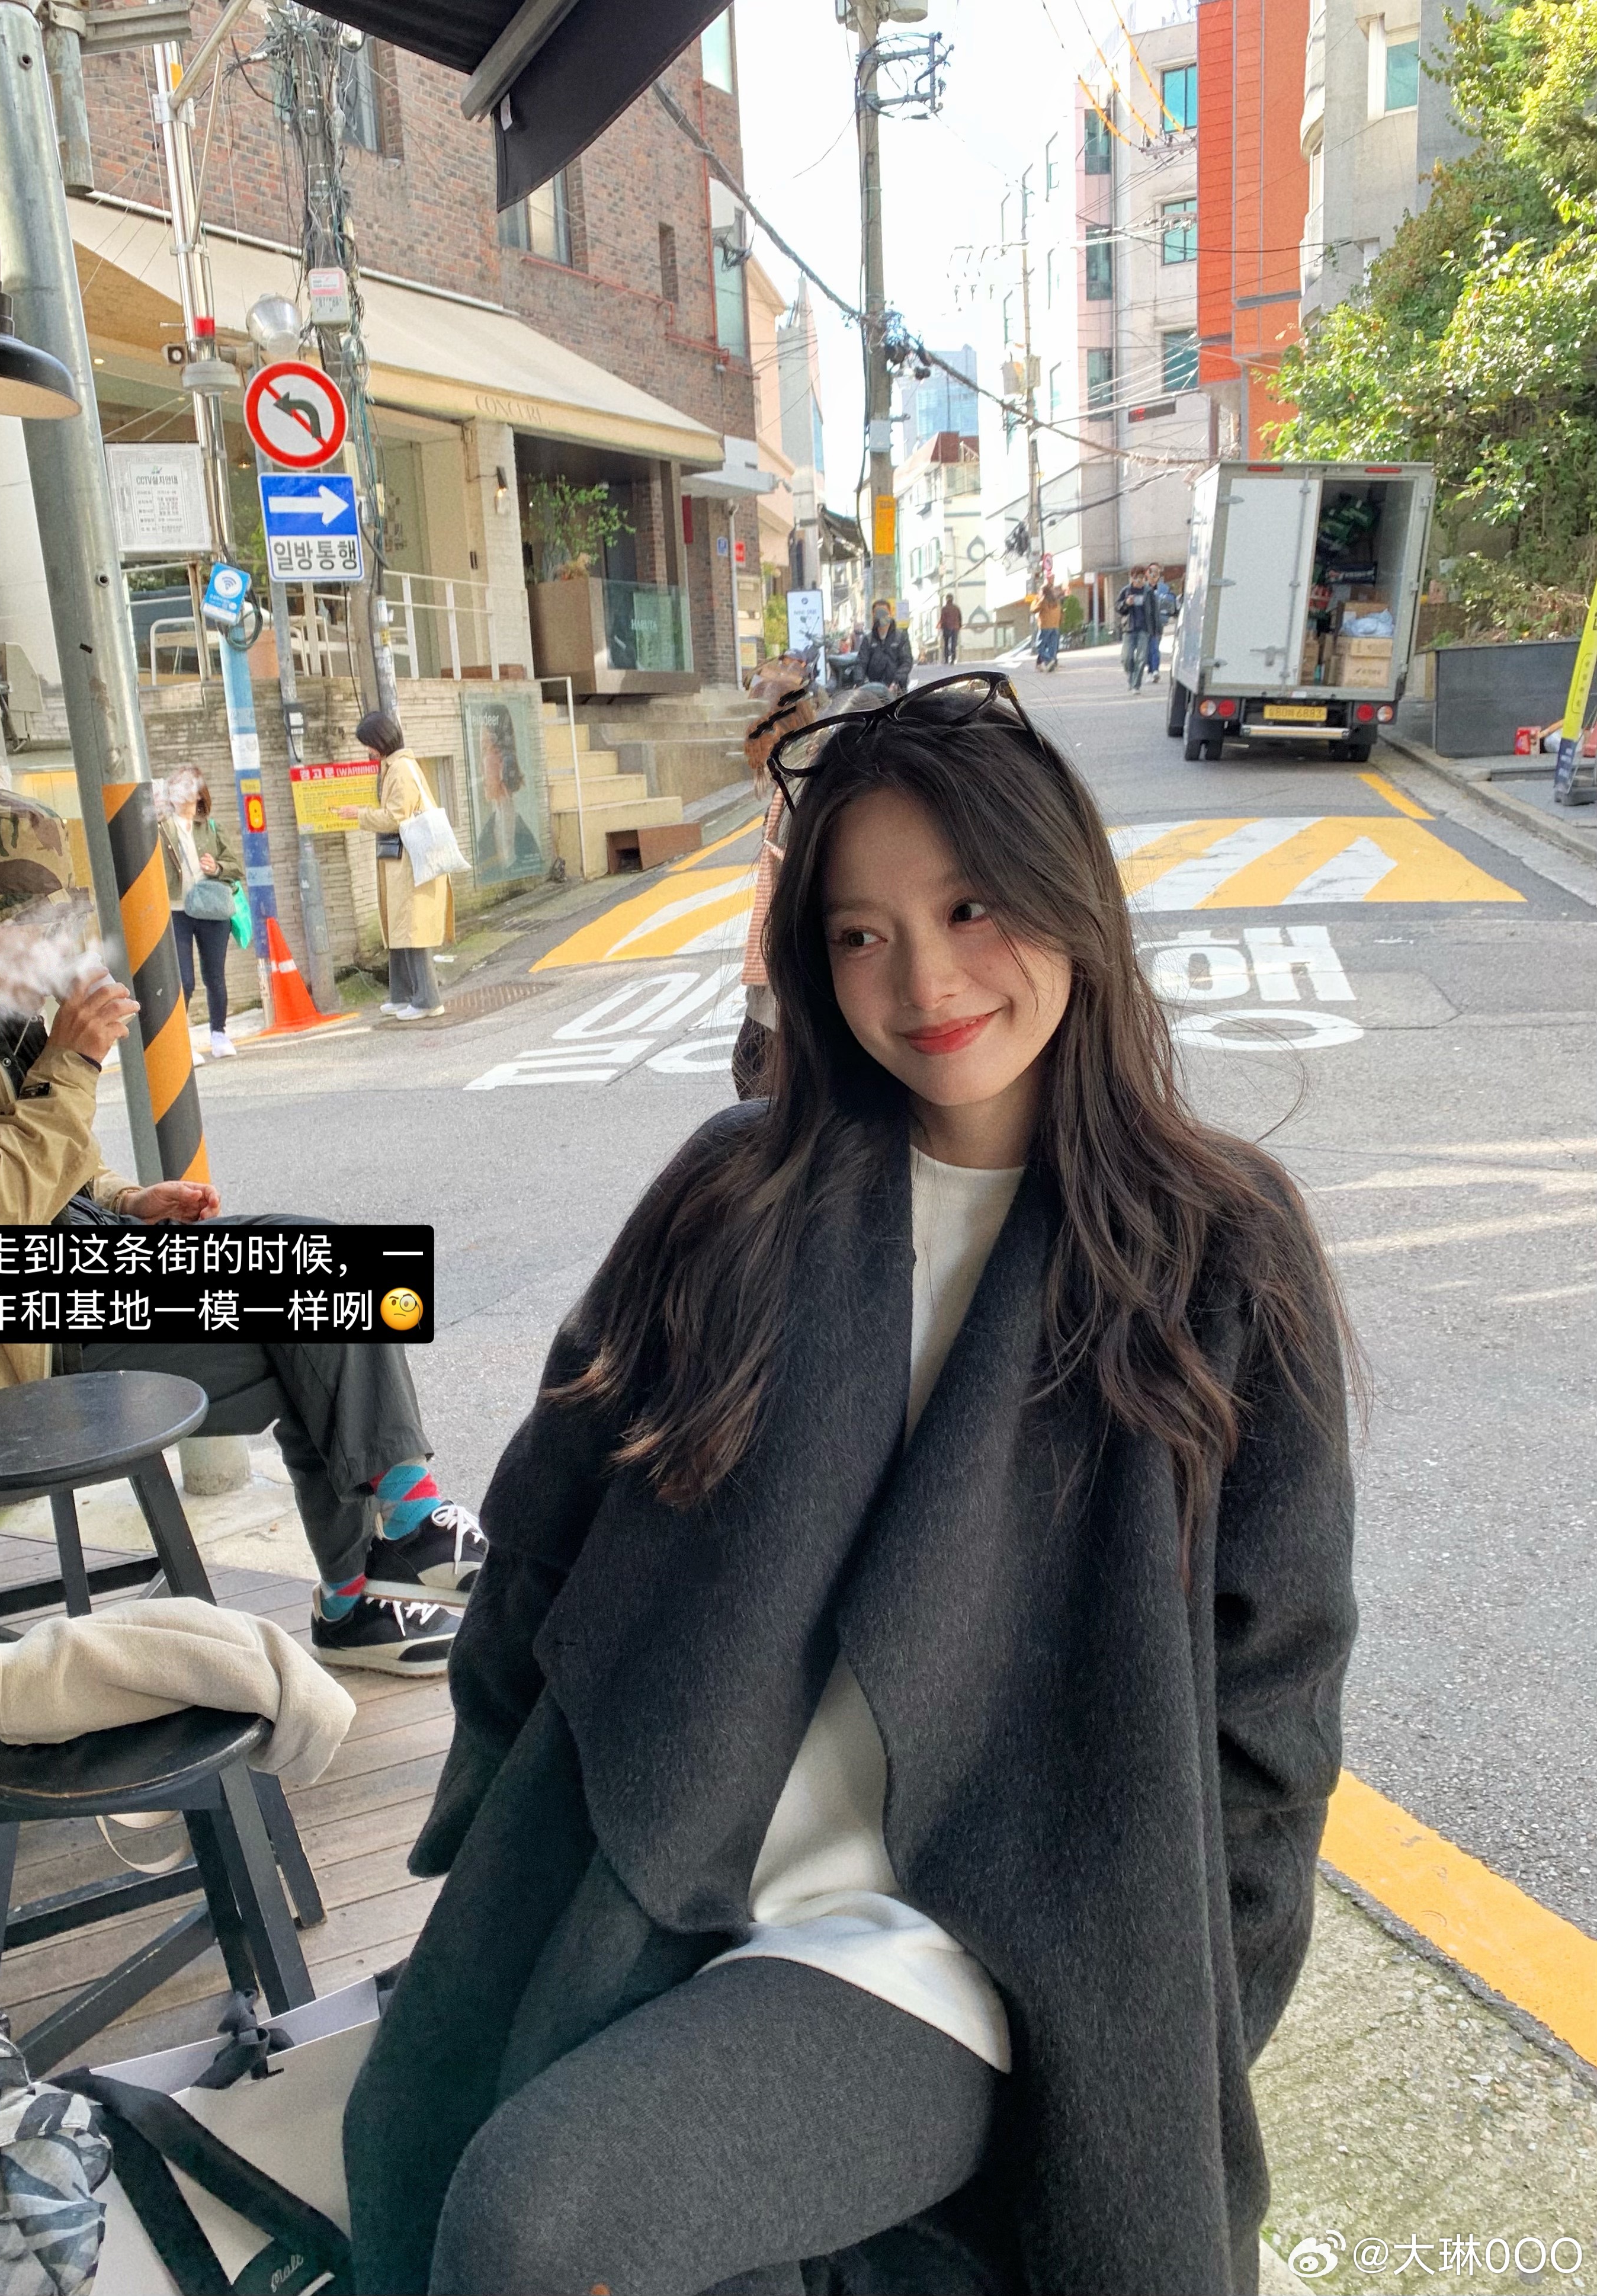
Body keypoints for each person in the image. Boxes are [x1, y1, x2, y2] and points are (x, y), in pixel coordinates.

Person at [345, 673, 1358, 2296]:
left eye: (969, 907)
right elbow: (544, 1525)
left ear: (1069, 898)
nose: (926, 979)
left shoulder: (1211, 1248)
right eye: (859, 933)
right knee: (421, 2133)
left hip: (955, 1938)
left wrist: (1171, 2026)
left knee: (541, 2215)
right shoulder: (734, 1194)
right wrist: (490, 1823)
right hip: (656, 1840)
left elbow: (1274, 1695)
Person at [0, 790, 484, 1676]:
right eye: (34, 927)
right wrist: (73, 1058)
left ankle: (401, 1532)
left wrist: (128, 1200)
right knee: (323, 1317)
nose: (48, 949)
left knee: (329, 1266)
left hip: (61, 1262)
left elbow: (50, 1164)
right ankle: (372, 1574)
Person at [732, 662, 817, 1100]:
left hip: (786, 986)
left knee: (756, 1076)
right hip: (780, 981)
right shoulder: (795, 779)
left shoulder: (802, 787)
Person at [336, 710, 450, 1021]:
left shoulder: (400, 769)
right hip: (403, 860)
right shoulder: (395, 766)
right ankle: (403, 995)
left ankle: (427, 1000)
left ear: (380, 741)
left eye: (368, 744)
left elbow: (396, 816)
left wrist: (359, 815)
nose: (367, 750)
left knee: (413, 930)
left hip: (412, 862)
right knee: (400, 928)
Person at [158, 764, 243, 1061]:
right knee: (184, 981)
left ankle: (219, 1034)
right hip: (176, 911)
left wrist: (217, 867)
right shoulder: (161, 828)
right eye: (176, 785)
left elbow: (235, 867)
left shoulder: (211, 827)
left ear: (198, 794)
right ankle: (183, 1044)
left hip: (211, 910)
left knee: (214, 976)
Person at [472, 708, 543, 881]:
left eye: (485, 749)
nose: (481, 767)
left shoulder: (526, 836)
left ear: (503, 757)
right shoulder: (487, 836)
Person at [1116, 566, 1162, 692]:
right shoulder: (1126, 591)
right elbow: (1118, 607)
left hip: (1145, 629)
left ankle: (1136, 685)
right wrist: (1126, 603)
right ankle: (1131, 678)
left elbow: (1155, 612)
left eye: (1141, 578)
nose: (1139, 580)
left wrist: (1157, 630)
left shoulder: (1148, 592)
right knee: (1127, 658)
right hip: (1129, 629)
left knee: (1141, 658)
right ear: (1132, 578)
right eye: (1136, 578)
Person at [852, 598, 912, 694]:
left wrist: (896, 681)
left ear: (890, 614)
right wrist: (859, 682)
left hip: (897, 690)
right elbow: (861, 662)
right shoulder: (868, 639)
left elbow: (906, 662)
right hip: (873, 691)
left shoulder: (901, 636)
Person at [1146, 561, 1178, 683]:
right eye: (1151, 571)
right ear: (1147, 573)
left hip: (1158, 622)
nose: (1153, 574)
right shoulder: (1143, 588)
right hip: (1145, 623)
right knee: (1147, 649)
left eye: (1156, 572)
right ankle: (1150, 670)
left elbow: (1169, 605)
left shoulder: (1164, 589)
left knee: (1155, 646)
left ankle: (1155, 671)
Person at [1032, 578, 1063, 672]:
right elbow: (1061, 613)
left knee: (1040, 647)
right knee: (1052, 647)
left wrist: (1036, 600)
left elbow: (1033, 610)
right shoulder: (1056, 601)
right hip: (1056, 626)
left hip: (1045, 626)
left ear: (1044, 592)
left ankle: (1050, 660)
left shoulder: (1043, 601)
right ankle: (1052, 665)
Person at [937, 592, 963, 666]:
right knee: (954, 644)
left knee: (946, 644)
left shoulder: (944, 609)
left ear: (946, 599)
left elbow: (943, 619)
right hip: (955, 627)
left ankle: (947, 659)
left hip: (947, 627)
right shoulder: (956, 608)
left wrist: (942, 627)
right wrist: (959, 626)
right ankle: (953, 659)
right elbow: (960, 618)